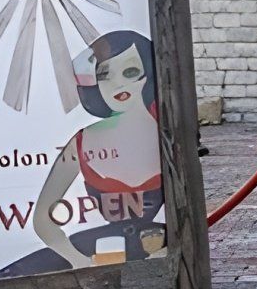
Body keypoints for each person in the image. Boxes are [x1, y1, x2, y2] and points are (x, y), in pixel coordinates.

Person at [26, 29, 165, 271]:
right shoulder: (83, 141)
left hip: (160, 246)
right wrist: (77, 259)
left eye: (130, 72)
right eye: (105, 75)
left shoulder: (166, 131)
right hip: (99, 250)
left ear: (147, 77)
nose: (118, 83)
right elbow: (42, 219)